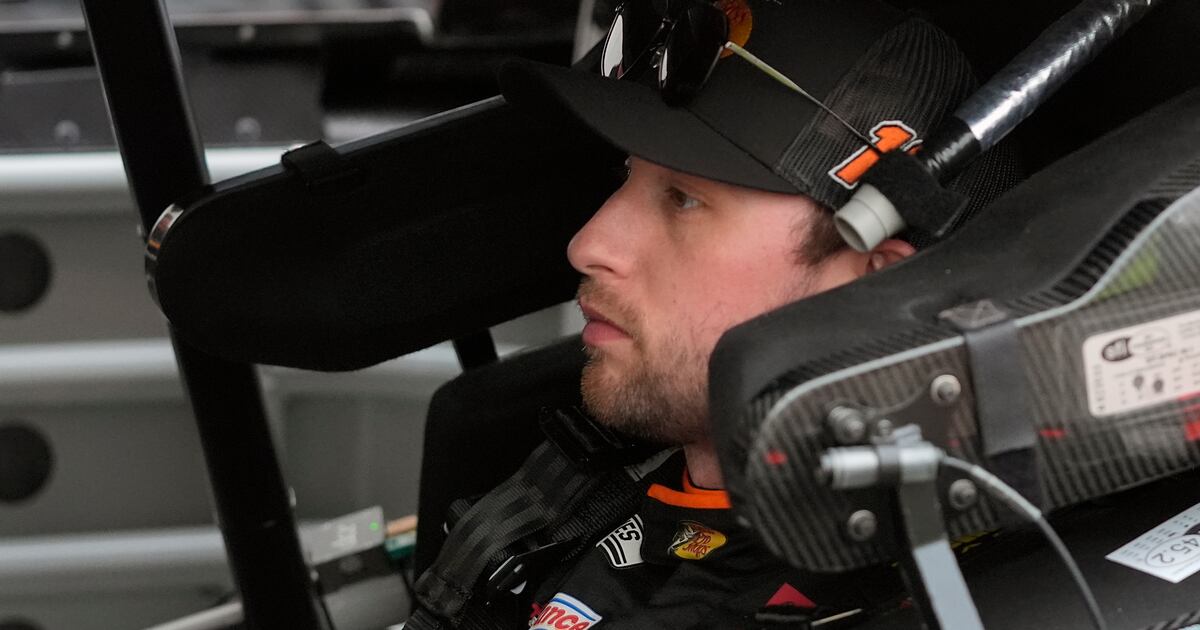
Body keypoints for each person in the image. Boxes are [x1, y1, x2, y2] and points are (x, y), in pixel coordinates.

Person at [411, 0, 1023, 628]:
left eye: (683, 199)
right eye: (626, 174)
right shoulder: (575, 482)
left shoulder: (953, 595)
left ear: (873, 284)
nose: (588, 244)